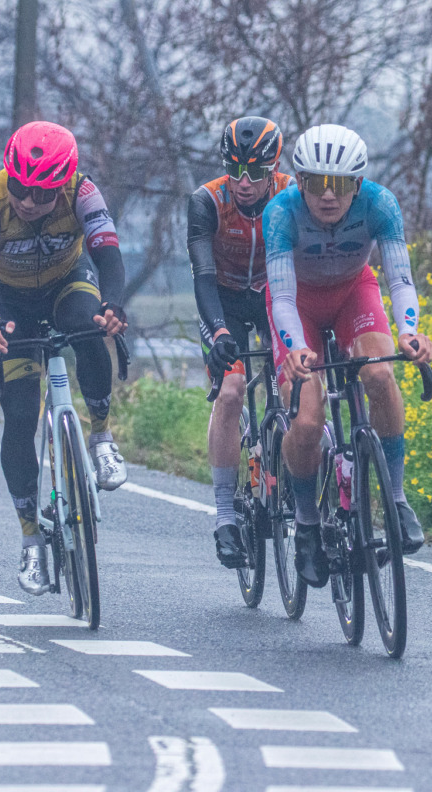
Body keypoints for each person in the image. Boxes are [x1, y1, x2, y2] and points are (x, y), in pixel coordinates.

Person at [263, 123, 432, 588]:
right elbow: (281, 297)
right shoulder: (280, 213)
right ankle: (306, 524)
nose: (327, 195)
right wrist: (296, 347)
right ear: (300, 181)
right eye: (317, 182)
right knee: (307, 420)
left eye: (339, 184)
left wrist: (410, 332)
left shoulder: (380, 204)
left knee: (380, 375)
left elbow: (400, 279)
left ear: (357, 184)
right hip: (297, 303)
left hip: (353, 293)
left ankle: (396, 499)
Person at [0, 121, 128, 595]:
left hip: (65, 283)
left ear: (63, 183)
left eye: (41, 194)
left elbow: (109, 256)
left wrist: (114, 305)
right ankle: (31, 538)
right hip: (9, 302)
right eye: (19, 188)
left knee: (89, 327)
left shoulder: (84, 192)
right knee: (20, 417)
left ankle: (101, 436)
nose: (27, 202)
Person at [187, 116, 293, 569]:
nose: (243, 182)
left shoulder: (291, 196)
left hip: (273, 295)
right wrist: (221, 334)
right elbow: (202, 276)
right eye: (234, 169)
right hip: (223, 300)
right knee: (231, 391)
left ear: (274, 168)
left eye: (254, 172)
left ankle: (289, 465)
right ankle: (226, 518)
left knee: (293, 384)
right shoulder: (207, 201)